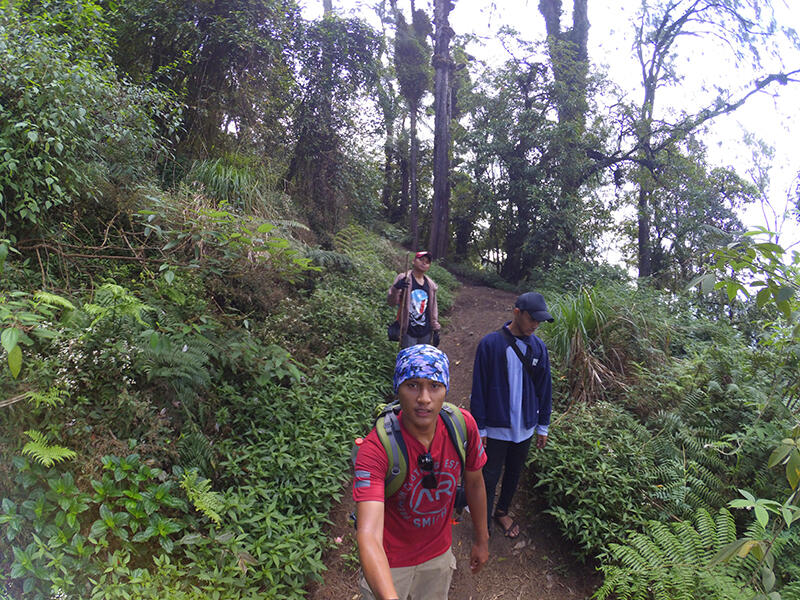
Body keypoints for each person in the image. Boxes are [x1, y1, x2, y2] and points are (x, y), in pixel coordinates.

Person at [353, 344, 489, 600]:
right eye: (413, 385)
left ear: (445, 390)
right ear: (398, 388)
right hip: (389, 562)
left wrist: (482, 539)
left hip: (437, 556)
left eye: (434, 386)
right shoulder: (377, 449)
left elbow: (474, 484)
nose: (424, 398)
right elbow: (368, 534)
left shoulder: (462, 427)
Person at [469, 292, 553, 539]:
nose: (535, 325)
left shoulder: (539, 348)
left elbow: (544, 389)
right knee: (489, 474)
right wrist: (480, 429)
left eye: (539, 321)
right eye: (531, 319)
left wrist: (542, 426)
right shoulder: (490, 344)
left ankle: (502, 511)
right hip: (495, 427)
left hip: (525, 427)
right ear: (517, 312)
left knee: (514, 472)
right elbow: (479, 389)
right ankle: (481, 520)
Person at [387, 251, 441, 349]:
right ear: (413, 261)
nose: (424, 263)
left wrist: (436, 329)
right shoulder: (404, 278)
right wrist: (396, 288)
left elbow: (433, 308)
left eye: (427, 262)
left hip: (426, 331)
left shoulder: (430, 284)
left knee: (422, 361)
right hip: (408, 330)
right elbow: (391, 303)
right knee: (409, 359)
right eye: (421, 259)